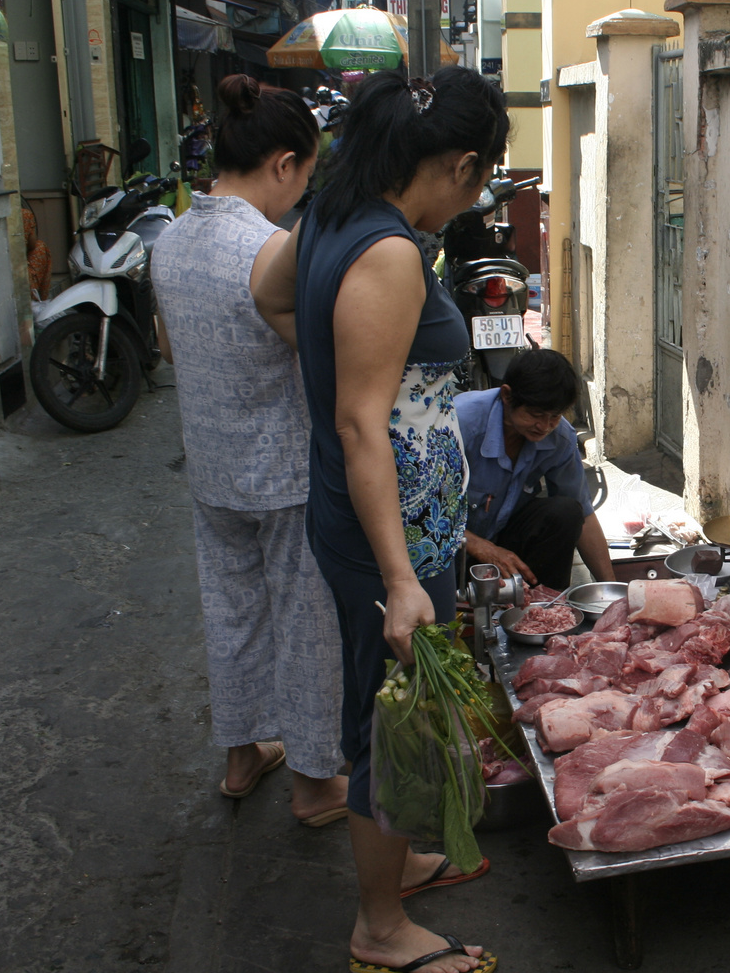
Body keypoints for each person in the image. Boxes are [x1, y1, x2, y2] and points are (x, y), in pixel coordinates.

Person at [252, 66, 503, 973]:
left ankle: (402, 858)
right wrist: (402, 581)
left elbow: (269, 294)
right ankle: (380, 927)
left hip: (369, 516)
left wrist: (330, 368)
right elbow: (364, 423)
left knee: (401, 705)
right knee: (385, 721)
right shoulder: (390, 252)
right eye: (477, 185)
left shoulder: (325, 212)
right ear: (463, 166)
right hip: (386, 535)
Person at [149, 74, 347, 827]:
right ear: (283, 163)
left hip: (212, 466)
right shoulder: (270, 250)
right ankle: (314, 782)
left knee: (231, 610)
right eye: (304, 173)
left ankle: (241, 757)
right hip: (286, 472)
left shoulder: (169, 240)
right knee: (306, 625)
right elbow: (315, 358)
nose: (300, 192)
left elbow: (170, 348)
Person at [457, 349, 616, 589]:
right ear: (507, 396)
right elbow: (420, 512)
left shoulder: (559, 436)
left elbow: (583, 513)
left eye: (555, 416)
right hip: (448, 546)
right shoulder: (458, 423)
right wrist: (482, 548)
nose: (545, 426)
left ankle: (545, 611)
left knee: (565, 512)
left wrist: (612, 591)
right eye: (536, 415)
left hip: (505, 540)